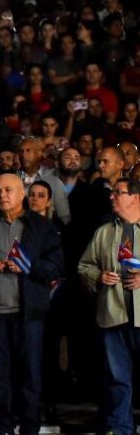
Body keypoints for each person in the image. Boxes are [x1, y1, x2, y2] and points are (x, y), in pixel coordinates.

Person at [0, 174, 64, 435]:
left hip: (28, 314)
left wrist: (29, 266)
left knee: (29, 375)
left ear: (22, 194)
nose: (2, 195)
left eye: (8, 190)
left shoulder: (41, 226)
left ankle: (29, 428)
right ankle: (4, 427)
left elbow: (56, 266)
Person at [78, 177, 140, 435]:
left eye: (118, 192)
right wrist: (98, 276)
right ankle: (120, 428)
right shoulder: (104, 232)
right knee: (117, 378)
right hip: (113, 315)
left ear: (136, 198)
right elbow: (84, 265)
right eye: (112, 192)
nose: (112, 196)